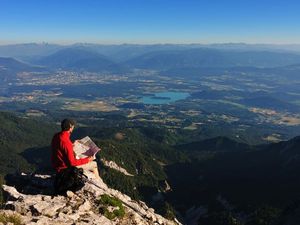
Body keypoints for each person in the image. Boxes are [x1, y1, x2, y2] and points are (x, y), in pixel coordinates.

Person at [51, 118, 99, 194]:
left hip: (58, 165)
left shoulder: (57, 136)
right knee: (94, 164)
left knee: (87, 161)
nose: (73, 127)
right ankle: (98, 184)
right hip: (65, 168)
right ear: (70, 127)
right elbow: (72, 162)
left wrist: (72, 144)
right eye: (73, 126)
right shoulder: (65, 141)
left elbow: (61, 148)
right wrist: (87, 160)